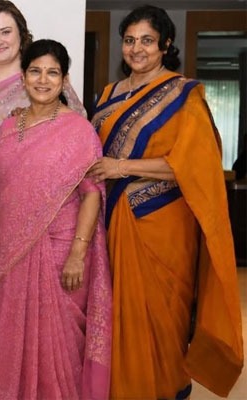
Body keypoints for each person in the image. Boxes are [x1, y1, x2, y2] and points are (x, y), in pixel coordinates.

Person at [88, 5, 244, 398]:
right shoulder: (108, 95)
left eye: (147, 40)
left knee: (161, 318)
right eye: (129, 40)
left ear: (165, 45)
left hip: (163, 226)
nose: (136, 49)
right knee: (116, 314)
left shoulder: (183, 95)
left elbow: (194, 166)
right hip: (110, 222)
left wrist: (122, 166)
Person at [0, 2, 86, 397]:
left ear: (21, 34)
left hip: (45, 208)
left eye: (5, 32)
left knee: (36, 294)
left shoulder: (43, 77)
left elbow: (76, 144)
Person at [0, 38, 112, 399]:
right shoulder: (9, 127)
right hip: (10, 251)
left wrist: (77, 254)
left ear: (64, 79)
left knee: (60, 347)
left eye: (52, 73)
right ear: (23, 77)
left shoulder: (79, 130)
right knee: (12, 340)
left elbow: (91, 194)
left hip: (60, 251)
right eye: (35, 71)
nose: (43, 80)